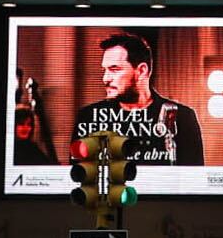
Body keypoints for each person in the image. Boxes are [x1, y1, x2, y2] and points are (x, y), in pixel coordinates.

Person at [75, 31, 205, 166]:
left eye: (114, 69)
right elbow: (79, 179)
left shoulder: (182, 117)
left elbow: (194, 179)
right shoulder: (88, 117)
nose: (105, 79)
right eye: (105, 70)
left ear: (142, 71)